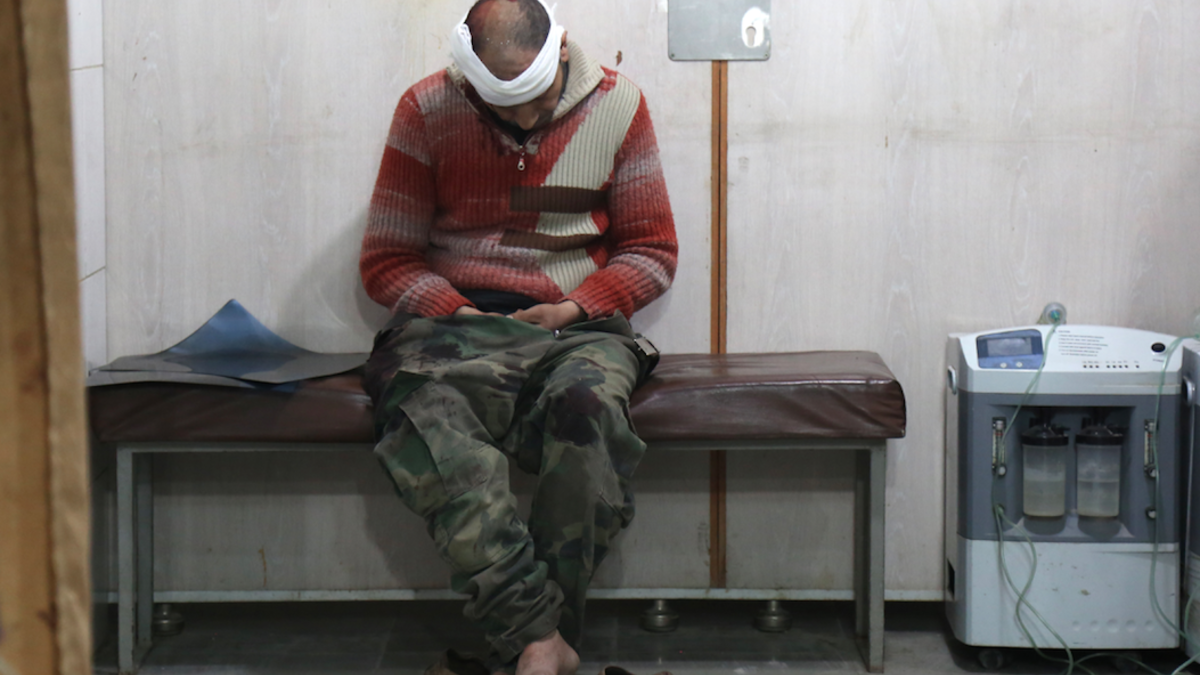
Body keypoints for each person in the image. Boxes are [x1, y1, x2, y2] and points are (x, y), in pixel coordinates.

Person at [359, 0, 677, 673]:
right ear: (469, 78)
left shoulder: (619, 108)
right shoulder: (426, 110)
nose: (525, 123)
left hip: (575, 328)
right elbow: (386, 260)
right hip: (452, 329)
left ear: (560, 53)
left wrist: (575, 307)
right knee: (424, 416)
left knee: (588, 416)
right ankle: (540, 642)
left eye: (536, 100)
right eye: (504, 108)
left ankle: (527, 648)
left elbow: (652, 251)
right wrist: (458, 310)